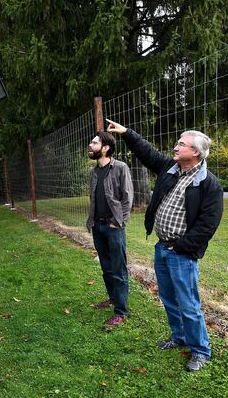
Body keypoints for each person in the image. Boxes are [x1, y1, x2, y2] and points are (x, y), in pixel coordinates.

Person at [107, 120, 223, 372]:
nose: (176, 146)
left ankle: (200, 350)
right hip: (162, 248)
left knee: (188, 304)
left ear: (196, 152)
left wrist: (181, 247)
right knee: (168, 298)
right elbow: (147, 152)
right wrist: (127, 133)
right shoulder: (170, 168)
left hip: (180, 253)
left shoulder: (209, 184)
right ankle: (179, 337)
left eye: (182, 143)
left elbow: (207, 225)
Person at [86, 132, 134, 327]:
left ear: (105, 148)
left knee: (118, 269)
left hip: (114, 227)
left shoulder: (120, 168)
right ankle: (113, 298)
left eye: (95, 142)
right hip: (97, 226)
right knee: (106, 268)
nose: (90, 145)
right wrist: (93, 222)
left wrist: (118, 222)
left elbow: (127, 198)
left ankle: (121, 311)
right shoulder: (94, 172)